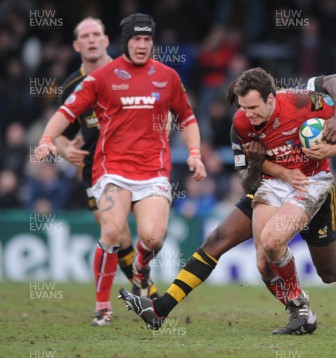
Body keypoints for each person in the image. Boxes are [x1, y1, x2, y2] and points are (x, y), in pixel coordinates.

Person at [118, 73, 336, 335]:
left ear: (271, 98)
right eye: (244, 107)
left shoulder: (301, 102)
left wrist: (335, 137)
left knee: (328, 271)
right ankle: (161, 309)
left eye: (254, 107)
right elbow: (248, 184)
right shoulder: (241, 125)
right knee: (233, 247)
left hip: (311, 182)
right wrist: (256, 164)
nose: (249, 114)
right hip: (271, 184)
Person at [35, 14, 206, 327]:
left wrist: (194, 152)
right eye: (136, 39)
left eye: (147, 40)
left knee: (153, 238)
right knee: (112, 232)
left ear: (152, 43)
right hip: (111, 170)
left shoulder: (167, 77)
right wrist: (48, 138)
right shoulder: (102, 78)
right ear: (125, 42)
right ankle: (102, 307)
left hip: (153, 172)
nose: (142, 45)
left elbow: (187, 117)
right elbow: (66, 111)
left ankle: (141, 271)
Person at [54, 18, 160, 325]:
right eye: (84, 36)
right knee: (114, 233)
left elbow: (163, 108)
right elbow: (61, 131)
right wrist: (65, 149)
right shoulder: (73, 86)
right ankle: (112, 303)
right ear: (77, 45)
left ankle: (143, 288)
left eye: (96, 34)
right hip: (98, 171)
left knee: (150, 236)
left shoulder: (132, 72)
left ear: (106, 39)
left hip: (141, 167)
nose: (90, 40)